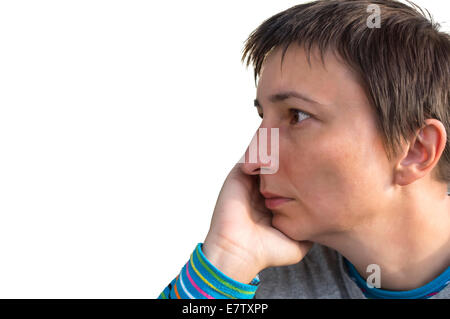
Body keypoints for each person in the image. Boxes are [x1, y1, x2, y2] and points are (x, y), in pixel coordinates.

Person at [158, 0, 450, 299]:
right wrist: (227, 260)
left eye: (297, 116)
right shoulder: (246, 278)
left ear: (416, 149)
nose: (253, 161)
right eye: (263, 118)